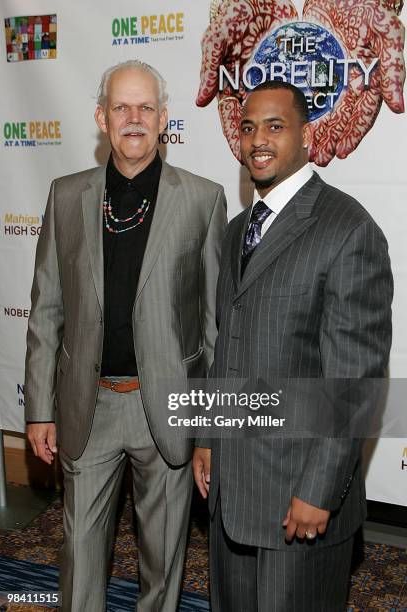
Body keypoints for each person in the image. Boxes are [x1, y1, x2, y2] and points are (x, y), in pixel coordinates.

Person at [24, 59, 227, 612]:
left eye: (145, 108)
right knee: (80, 554)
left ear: (164, 119)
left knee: (164, 564)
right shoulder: (65, 196)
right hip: (87, 408)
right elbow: (45, 309)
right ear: (101, 117)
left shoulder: (203, 200)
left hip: (168, 407)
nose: (133, 118)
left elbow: (213, 328)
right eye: (121, 107)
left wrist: (208, 430)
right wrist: (39, 408)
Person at [193, 81, 393, 611]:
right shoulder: (238, 231)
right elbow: (225, 350)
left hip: (296, 502)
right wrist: (208, 438)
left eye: (275, 126)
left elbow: (352, 383)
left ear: (307, 134)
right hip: (232, 493)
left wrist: (319, 491)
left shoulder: (348, 230)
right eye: (248, 126)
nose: (258, 139)